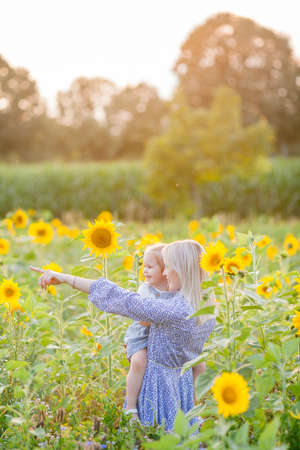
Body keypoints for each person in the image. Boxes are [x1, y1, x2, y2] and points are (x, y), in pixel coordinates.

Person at [31, 239, 216, 431]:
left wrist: (68, 279)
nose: (165, 272)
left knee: (156, 437)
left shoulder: (174, 309)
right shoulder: (206, 306)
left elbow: (122, 299)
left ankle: (132, 410)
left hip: (160, 386)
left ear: (181, 270)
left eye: (168, 267)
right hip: (183, 386)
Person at [124, 243, 206, 420]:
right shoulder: (145, 290)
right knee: (139, 361)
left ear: (165, 269)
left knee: (200, 365)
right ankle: (130, 406)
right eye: (143, 266)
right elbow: (143, 320)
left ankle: (194, 407)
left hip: (166, 343)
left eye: (150, 267)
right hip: (141, 337)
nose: (145, 271)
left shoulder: (174, 289)